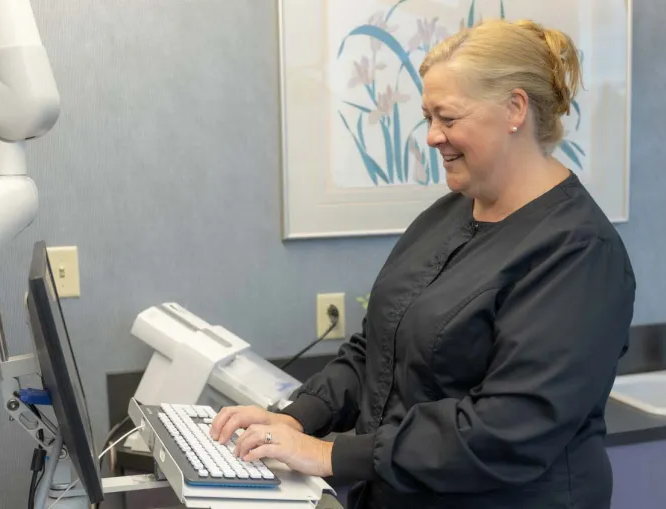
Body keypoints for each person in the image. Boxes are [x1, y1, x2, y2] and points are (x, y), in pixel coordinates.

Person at [210, 18, 636, 509]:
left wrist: (331, 455)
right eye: (428, 117)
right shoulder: (448, 215)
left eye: (449, 118)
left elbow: (509, 429)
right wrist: (299, 416)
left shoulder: (579, 253)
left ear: (515, 108)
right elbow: (376, 349)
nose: (433, 136)